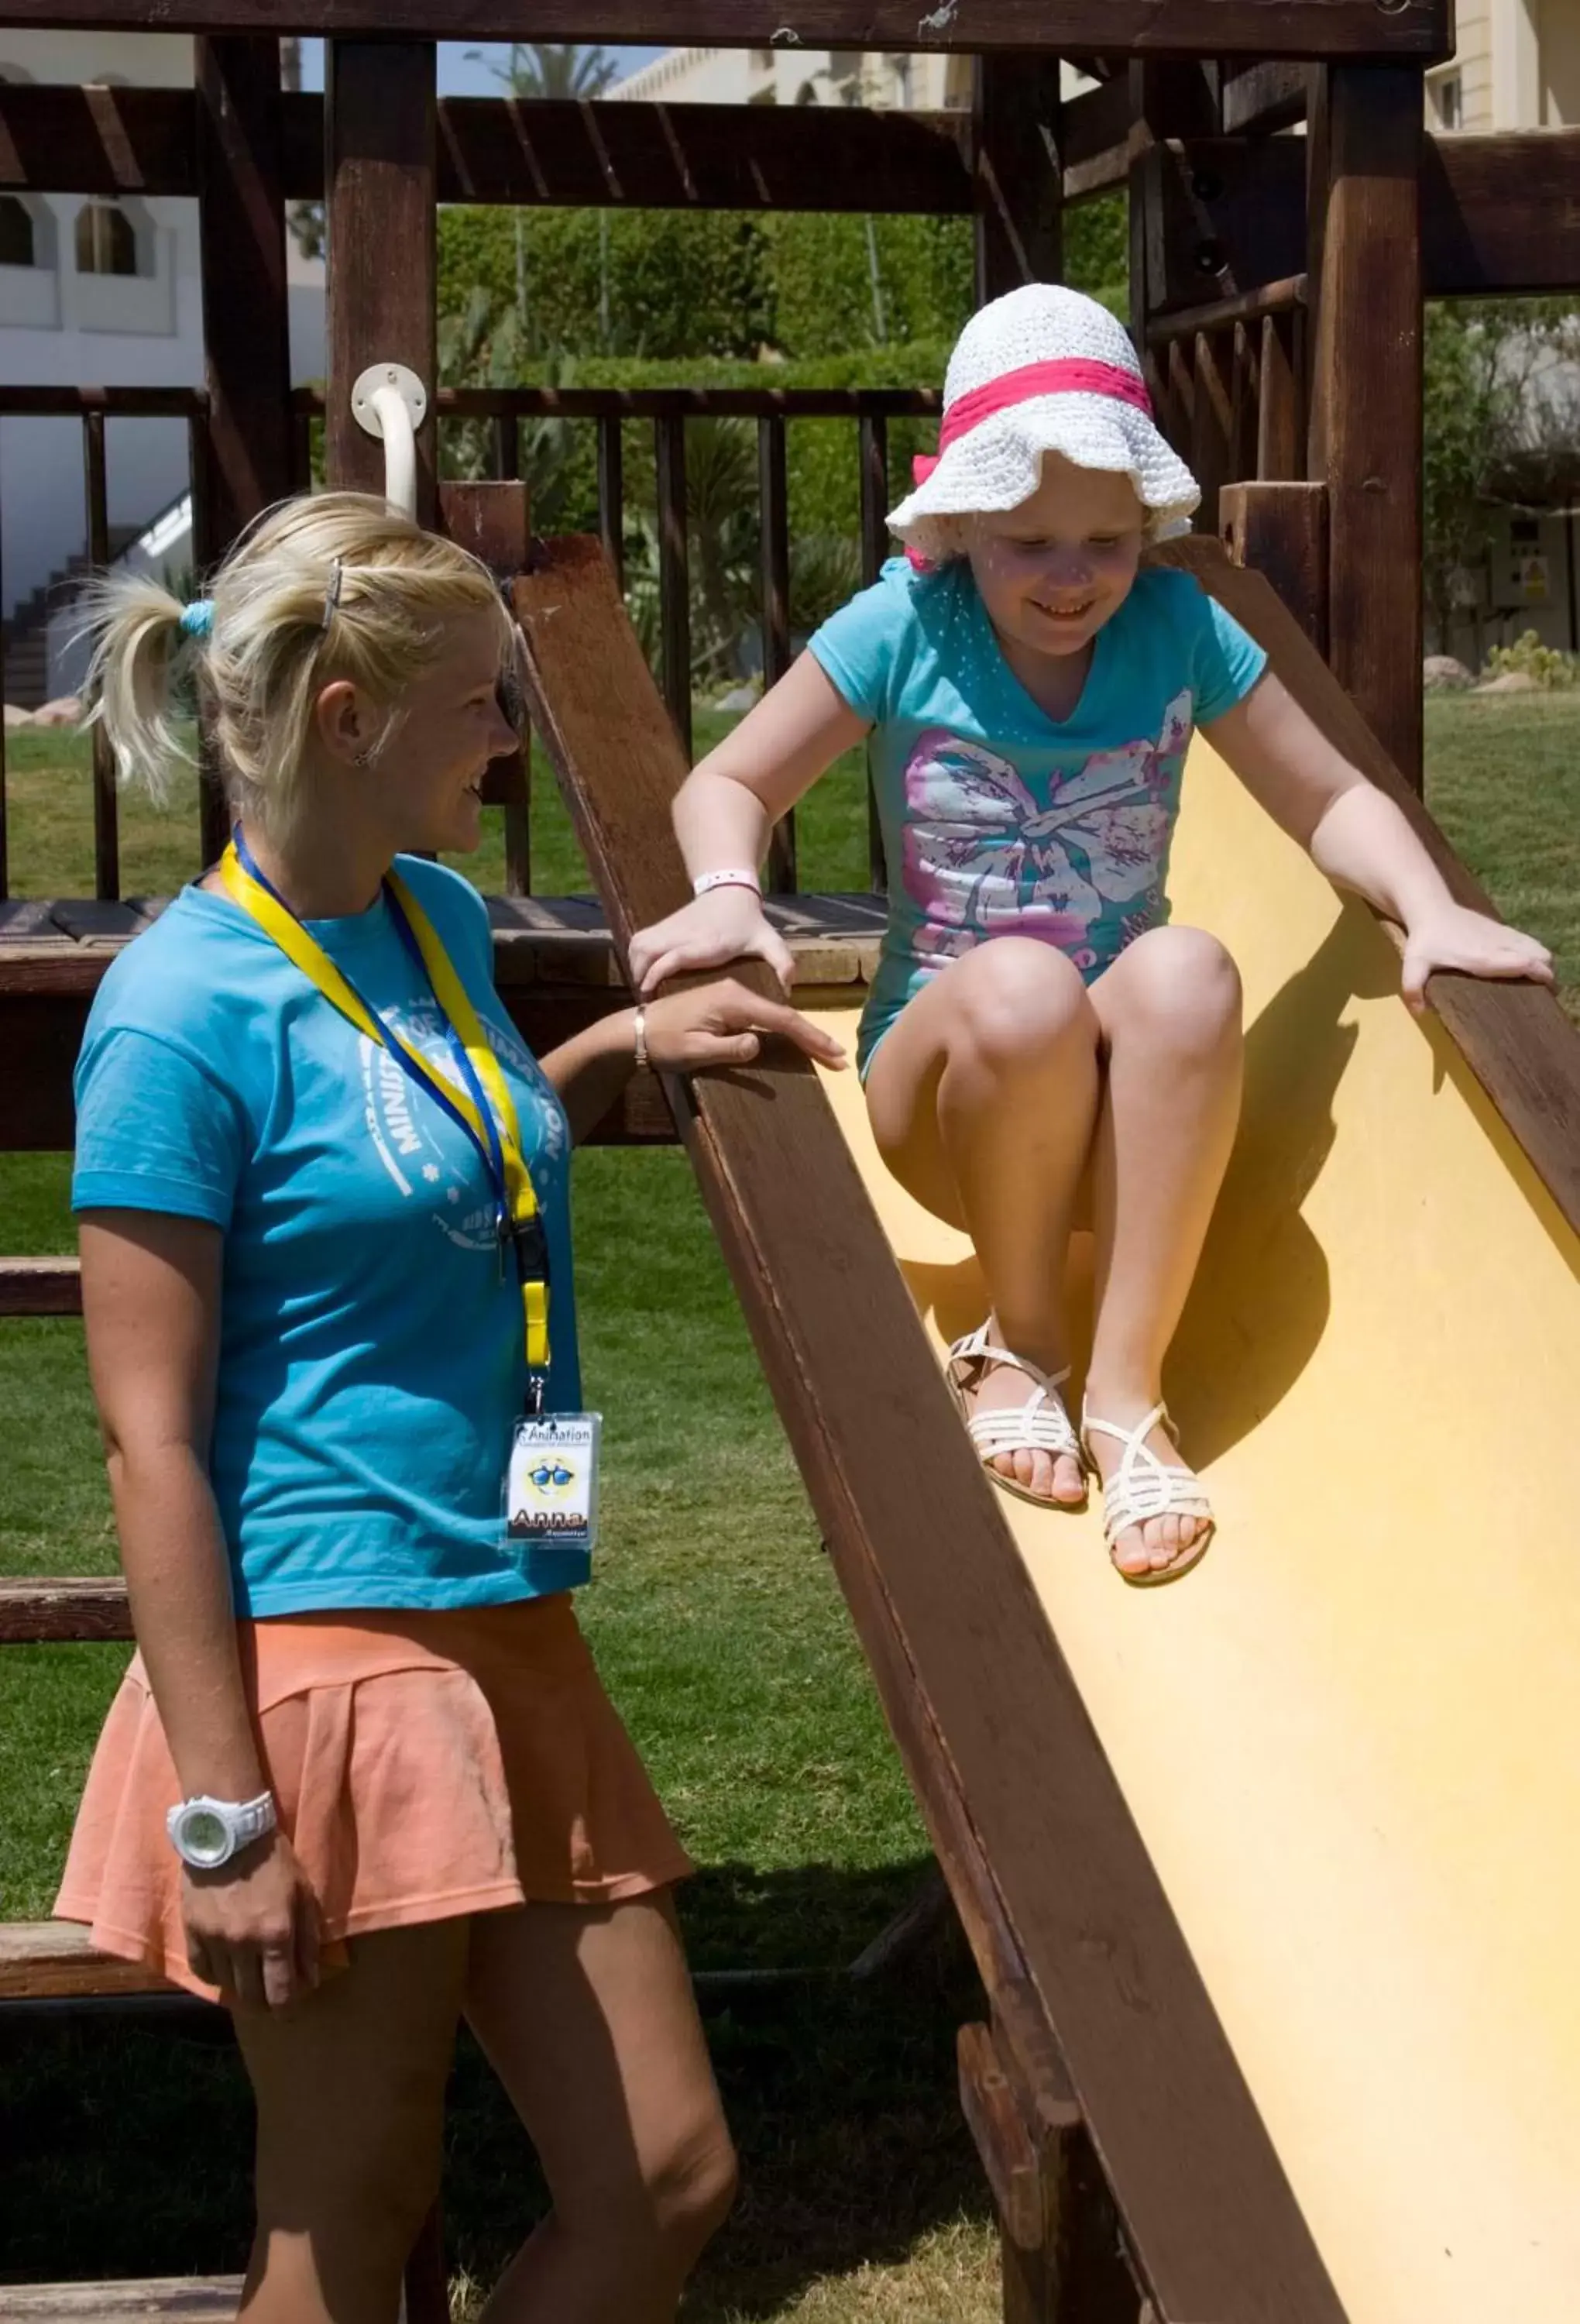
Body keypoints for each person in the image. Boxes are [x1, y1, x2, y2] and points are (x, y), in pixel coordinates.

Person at [53, 491, 844, 2324]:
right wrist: (222, 1810)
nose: (507, 745)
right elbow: (145, 1439)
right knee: (345, 2218)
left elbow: (433, 1155)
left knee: (666, 2173)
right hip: (325, 1665)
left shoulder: (427, 921)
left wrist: (602, 1055)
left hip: (511, 1620)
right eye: (484, 705)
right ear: (351, 720)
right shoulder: (178, 1016)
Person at [629, 284, 1554, 1588]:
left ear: (1147, 529)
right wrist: (732, 889)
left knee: (1186, 970)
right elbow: (726, 784)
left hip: (1122, 1125)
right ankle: (1021, 1344)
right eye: (1030, 543)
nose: (1073, 579)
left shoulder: (1175, 625)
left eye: (1107, 541)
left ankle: (1125, 1392)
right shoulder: (905, 627)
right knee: (1022, 986)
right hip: (952, 1089)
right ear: (960, 525)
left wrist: (1431, 907)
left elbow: (1331, 794)